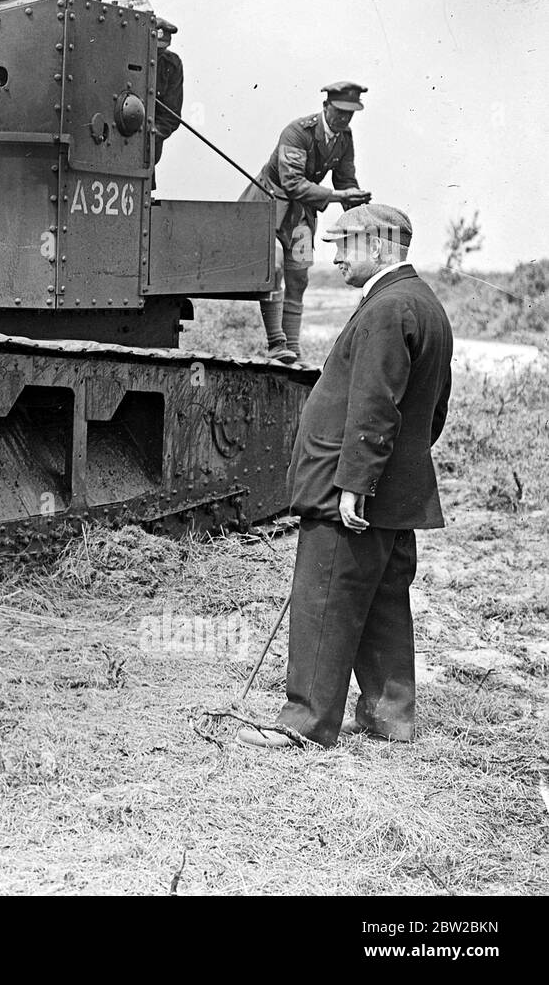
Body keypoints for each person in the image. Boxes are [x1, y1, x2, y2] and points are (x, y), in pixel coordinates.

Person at [238, 204, 453, 749]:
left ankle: (305, 724)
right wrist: (389, 475)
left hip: (349, 491)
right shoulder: (424, 303)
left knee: (325, 600)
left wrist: (357, 482)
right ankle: (388, 715)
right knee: (382, 601)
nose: (332, 256)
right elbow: (433, 413)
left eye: (343, 245)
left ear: (378, 247)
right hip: (393, 493)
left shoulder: (386, 308)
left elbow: (374, 404)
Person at [240, 82, 372, 362]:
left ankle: (293, 349)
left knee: (299, 275)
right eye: (340, 112)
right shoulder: (298, 132)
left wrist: (357, 202)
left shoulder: (344, 139)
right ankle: (277, 343)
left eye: (350, 114)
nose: (345, 119)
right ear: (326, 107)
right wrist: (338, 196)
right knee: (273, 264)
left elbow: (345, 180)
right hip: (268, 206)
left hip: (300, 214)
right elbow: (292, 183)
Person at [152, 17, 183, 180]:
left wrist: (150, 135)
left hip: (147, 154)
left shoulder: (172, 64)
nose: (157, 54)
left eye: (161, 50)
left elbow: (171, 116)